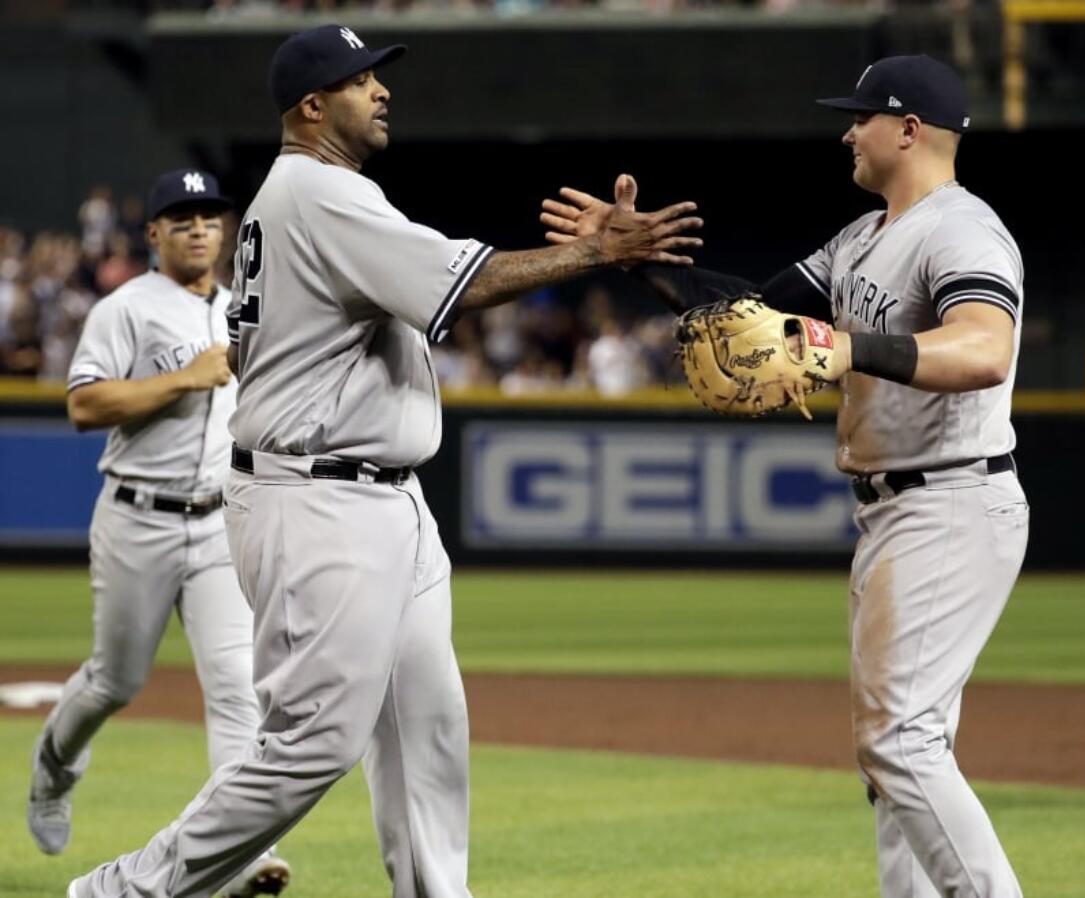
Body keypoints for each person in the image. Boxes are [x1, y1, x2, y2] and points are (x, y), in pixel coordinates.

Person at [68, 23, 700, 898]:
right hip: (316, 498)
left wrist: (596, 251)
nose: (382, 90)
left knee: (426, 725)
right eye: (362, 79)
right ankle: (123, 891)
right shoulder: (320, 195)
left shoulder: (314, 198)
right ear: (312, 105)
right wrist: (595, 251)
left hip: (377, 500)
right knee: (310, 745)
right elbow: (461, 284)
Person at [544, 54, 1028, 898]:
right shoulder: (863, 236)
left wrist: (846, 347)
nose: (847, 129)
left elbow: (986, 348)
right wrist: (628, 259)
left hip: (951, 496)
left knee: (900, 743)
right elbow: (752, 313)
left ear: (908, 130)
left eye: (861, 116)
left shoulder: (962, 229)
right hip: (899, 507)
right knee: (899, 755)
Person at [34, 169, 290, 898]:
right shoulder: (126, 310)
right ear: (153, 234)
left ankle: (236, 859)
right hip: (137, 517)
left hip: (217, 523)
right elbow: (84, 406)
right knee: (115, 682)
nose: (198, 229)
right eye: (180, 219)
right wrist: (183, 378)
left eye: (209, 217)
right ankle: (53, 770)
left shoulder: (249, 306)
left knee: (241, 691)